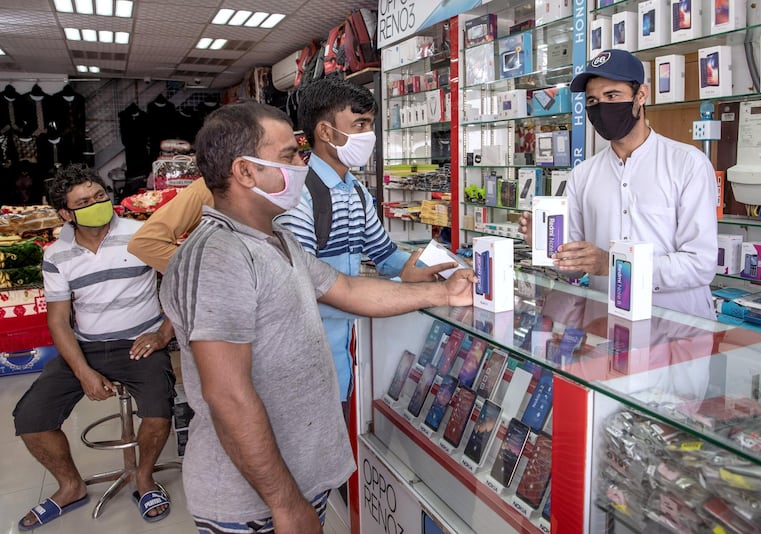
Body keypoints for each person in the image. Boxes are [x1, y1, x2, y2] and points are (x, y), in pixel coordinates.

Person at [158, 101, 475, 532]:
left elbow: (346, 289)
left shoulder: (277, 239)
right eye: (288, 156)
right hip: (251, 503)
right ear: (245, 171)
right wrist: (285, 504)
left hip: (299, 477)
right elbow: (228, 397)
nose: (301, 166)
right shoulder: (219, 256)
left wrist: (442, 291)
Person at [14, 164, 176, 530]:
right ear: (65, 214)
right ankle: (70, 487)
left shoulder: (141, 235)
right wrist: (83, 371)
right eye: (84, 202)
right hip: (86, 347)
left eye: (100, 196)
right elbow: (58, 321)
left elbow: (182, 286)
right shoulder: (57, 254)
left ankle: (145, 479)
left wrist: (163, 335)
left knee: (158, 411)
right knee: (30, 419)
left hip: (141, 342)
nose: (96, 204)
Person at [275, 77, 453, 408]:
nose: (369, 135)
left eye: (370, 124)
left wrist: (439, 268)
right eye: (359, 124)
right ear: (326, 132)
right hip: (302, 370)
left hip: (340, 364)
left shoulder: (354, 190)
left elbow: (385, 254)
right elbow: (302, 289)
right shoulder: (300, 197)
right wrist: (404, 287)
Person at [519, 49, 717, 320]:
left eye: (612, 96)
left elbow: (700, 264)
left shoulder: (687, 164)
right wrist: (546, 246)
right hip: (607, 323)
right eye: (592, 100)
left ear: (641, 95)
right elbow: (578, 267)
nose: (601, 106)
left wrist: (611, 265)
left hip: (677, 325)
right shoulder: (583, 175)